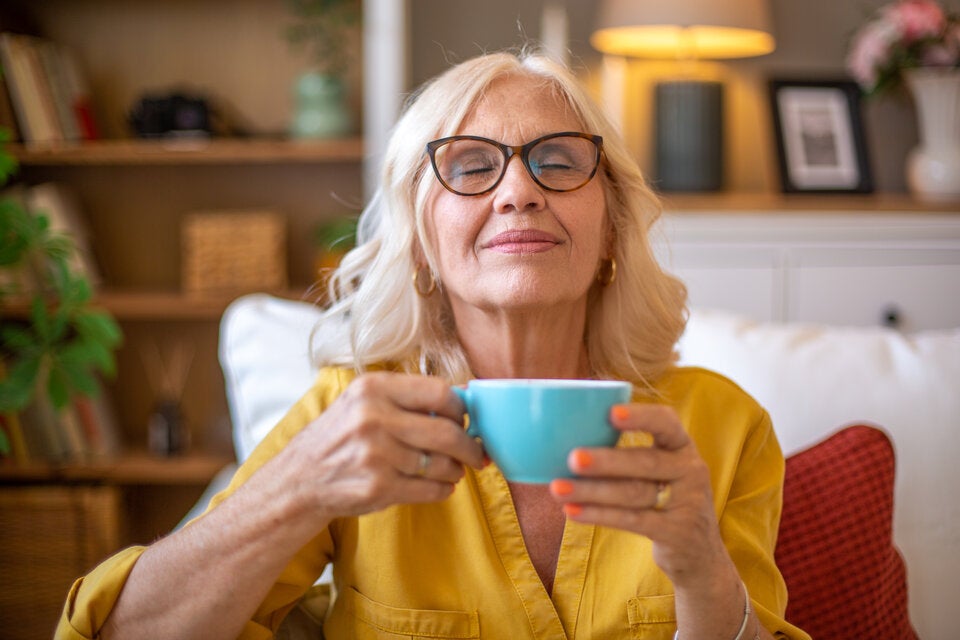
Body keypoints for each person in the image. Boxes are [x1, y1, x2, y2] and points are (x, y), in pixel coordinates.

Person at [57, 49, 810, 640]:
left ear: (610, 224)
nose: (518, 191)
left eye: (557, 160)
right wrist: (298, 489)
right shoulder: (347, 416)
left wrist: (705, 578)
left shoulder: (720, 426)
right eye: (471, 166)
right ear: (420, 240)